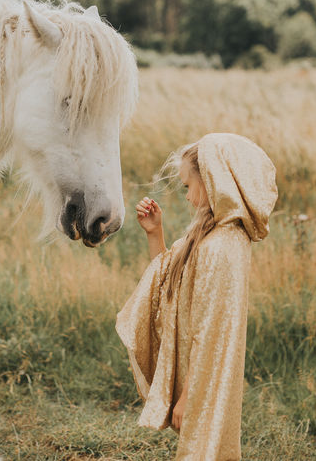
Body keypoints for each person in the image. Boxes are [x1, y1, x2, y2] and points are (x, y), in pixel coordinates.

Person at [116, 133, 278, 460]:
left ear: (213, 181)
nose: (188, 198)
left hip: (205, 381)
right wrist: (155, 233)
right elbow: (168, 284)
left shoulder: (223, 247)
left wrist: (189, 395)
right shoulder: (209, 235)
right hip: (202, 377)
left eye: (189, 186)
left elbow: (212, 330)